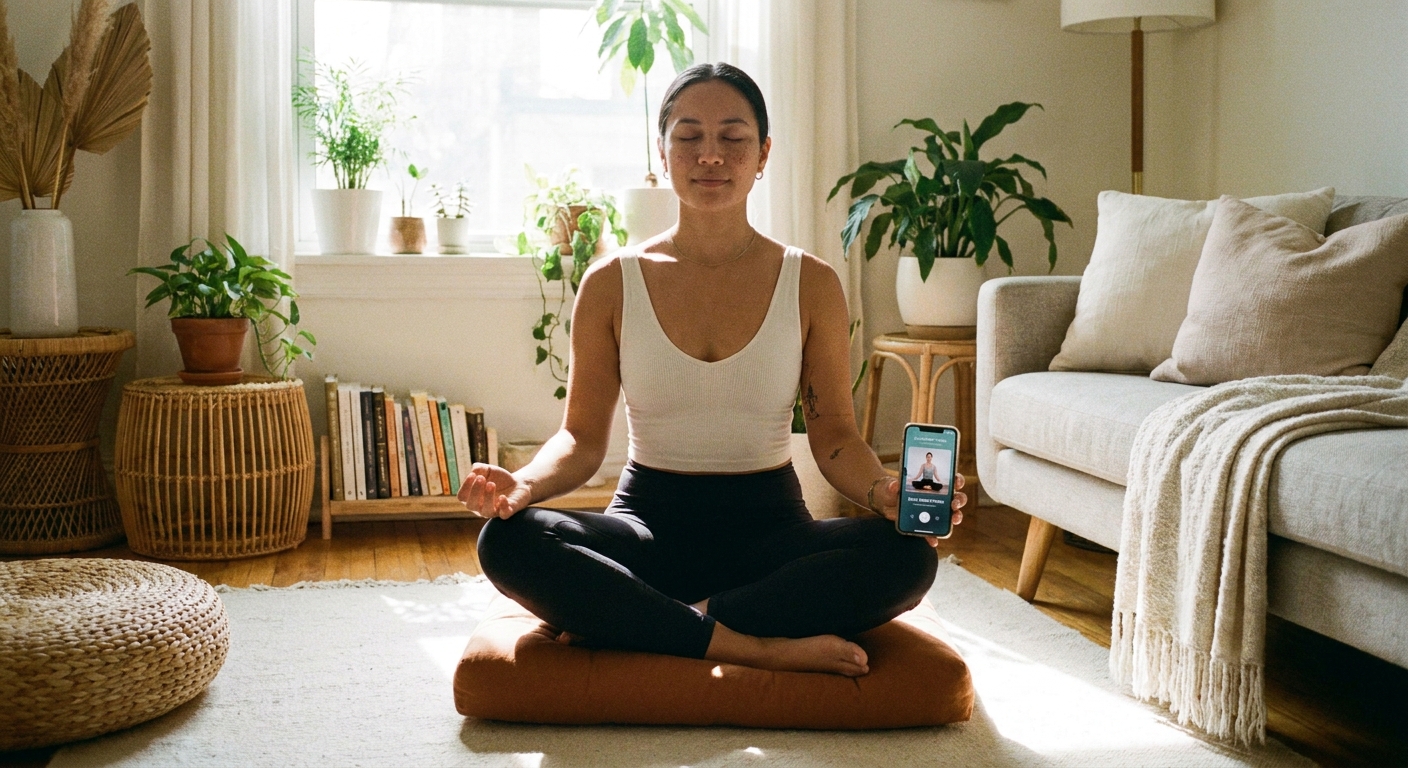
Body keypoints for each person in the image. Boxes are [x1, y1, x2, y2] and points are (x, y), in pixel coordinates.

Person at [459, 62, 966, 678]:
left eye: (733, 137)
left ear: (763, 154)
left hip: (773, 535)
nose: (710, 156)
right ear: (662, 150)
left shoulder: (812, 283)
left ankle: (660, 622)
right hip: (645, 529)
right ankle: (750, 645)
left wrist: (883, 491)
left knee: (908, 558)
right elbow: (581, 438)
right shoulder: (610, 283)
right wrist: (524, 486)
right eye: (689, 136)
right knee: (506, 541)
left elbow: (834, 437)